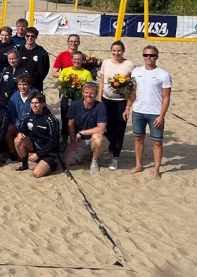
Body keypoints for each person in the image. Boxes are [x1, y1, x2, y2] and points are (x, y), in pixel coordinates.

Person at [124, 45, 172, 180]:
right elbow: (132, 91)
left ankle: (156, 169)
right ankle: (139, 165)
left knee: (157, 142)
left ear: (157, 56)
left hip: (155, 113)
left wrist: (162, 116)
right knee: (138, 138)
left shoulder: (163, 74)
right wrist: (128, 107)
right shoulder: (136, 72)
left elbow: (166, 97)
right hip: (138, 111)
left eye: (151, 55)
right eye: (146, 55)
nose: (148, 57)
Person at [97, 40, 136, 170]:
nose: (116, 53)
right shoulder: (106, 63)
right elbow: (102, 82)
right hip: (106, 100)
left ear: (123, 51)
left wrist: (128, 107)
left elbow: (133, 88)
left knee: (119, 129)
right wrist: (99, 99)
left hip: (121, 102)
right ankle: (109, 150)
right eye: (114, 50)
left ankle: (116, 157)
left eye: (119, 50)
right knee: (106, 127)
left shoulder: (129, 65)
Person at [63, 82, 109, 174]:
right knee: (67, 161)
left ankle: (94, 160)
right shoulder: (75, 104)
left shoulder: (100, 106)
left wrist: (81, 132)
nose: (89, 95)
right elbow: (70, 123)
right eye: (87, 92)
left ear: (96, 94)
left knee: (98, 138)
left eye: (92, 93)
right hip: (80, 141)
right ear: (83, 93)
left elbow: (101, 129)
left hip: (94, 139)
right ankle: (88, 155)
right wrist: (72, 142)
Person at [15, 92, 60, 178]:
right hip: (34, 146)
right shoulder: (28, 116)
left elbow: (54, 142)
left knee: (37, 173)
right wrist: (19, 133)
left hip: (48, 151)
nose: (34, 106)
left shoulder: (51, 119)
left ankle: (53, 165)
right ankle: (24, 164)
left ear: (43, 104)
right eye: (32, 103)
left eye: (36, 103)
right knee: (18, 139)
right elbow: (21, 130)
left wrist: (38, 154)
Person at [57, 51, 94, 146]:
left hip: (79, 99)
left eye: (79, 59)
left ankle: (77, 140)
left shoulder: (86, 73)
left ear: (82, 60)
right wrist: (63, 87)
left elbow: (90, 87)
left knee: (77, 120)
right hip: (66, 97)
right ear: (72, 60)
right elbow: (59, 83)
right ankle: (64, 141)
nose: (77, 61)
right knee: (65, 119)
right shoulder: (65, 70)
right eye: (75, 59)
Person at [18, 27, 50, 92]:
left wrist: (39, 78)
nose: (30, 38)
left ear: (36, 37)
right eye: (28, 36)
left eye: (32, 36)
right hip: (22, 84)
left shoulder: (42, 52)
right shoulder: (19, 51)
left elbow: (46, 68)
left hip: (36, 84)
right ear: (25, 36)